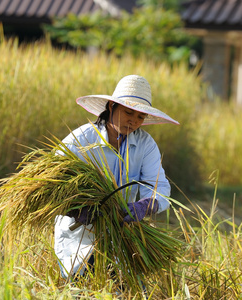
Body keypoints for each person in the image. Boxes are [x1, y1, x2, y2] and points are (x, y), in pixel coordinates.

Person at [54, 74, 179, 279]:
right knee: (80, 285)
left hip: (121, 231)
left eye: (140, 117)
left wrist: (145, 205)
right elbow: (51, 183)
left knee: (123, 286)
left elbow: (160, 188)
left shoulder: (145, 145)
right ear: (112, 106)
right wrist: (76, 208)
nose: (134, 121)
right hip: (78, 233)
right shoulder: (81, 140)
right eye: (129, 112)